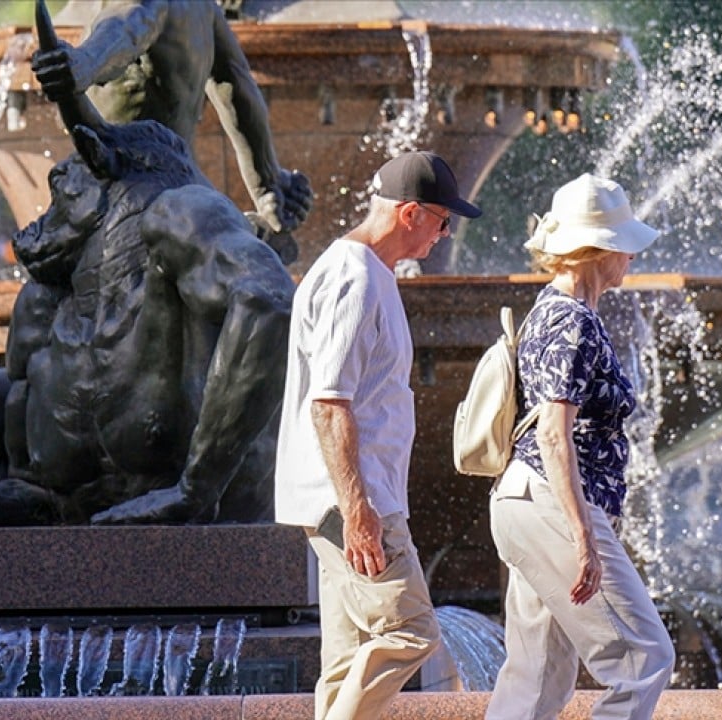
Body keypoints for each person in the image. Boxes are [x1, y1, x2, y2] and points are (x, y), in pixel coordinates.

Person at [274, 151, 481, 719]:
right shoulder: (355, 278)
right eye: (443, 220)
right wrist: (359, 509)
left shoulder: (361, 271)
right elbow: (330, 403)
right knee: (413, 632)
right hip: (354, 502)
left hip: (338, 499)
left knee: (345, 662)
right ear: (411, 213)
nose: (445, 233)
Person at [486, 174, 675, 719]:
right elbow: (552, 432)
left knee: (538, 674)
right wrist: (582, 536)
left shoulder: (554, 309)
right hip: (552, 504)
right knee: (644, 657)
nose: (632, 258)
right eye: (627, 246)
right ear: (601, 249)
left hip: (525, 502)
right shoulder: (572, 320)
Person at [31, 0, 312, 258]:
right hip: (183, 185)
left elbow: (127, 28)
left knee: (43, 299)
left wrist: (84, 64)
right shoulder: (203, 8)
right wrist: (267, 185)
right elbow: (240, 93)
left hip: (121, 196)